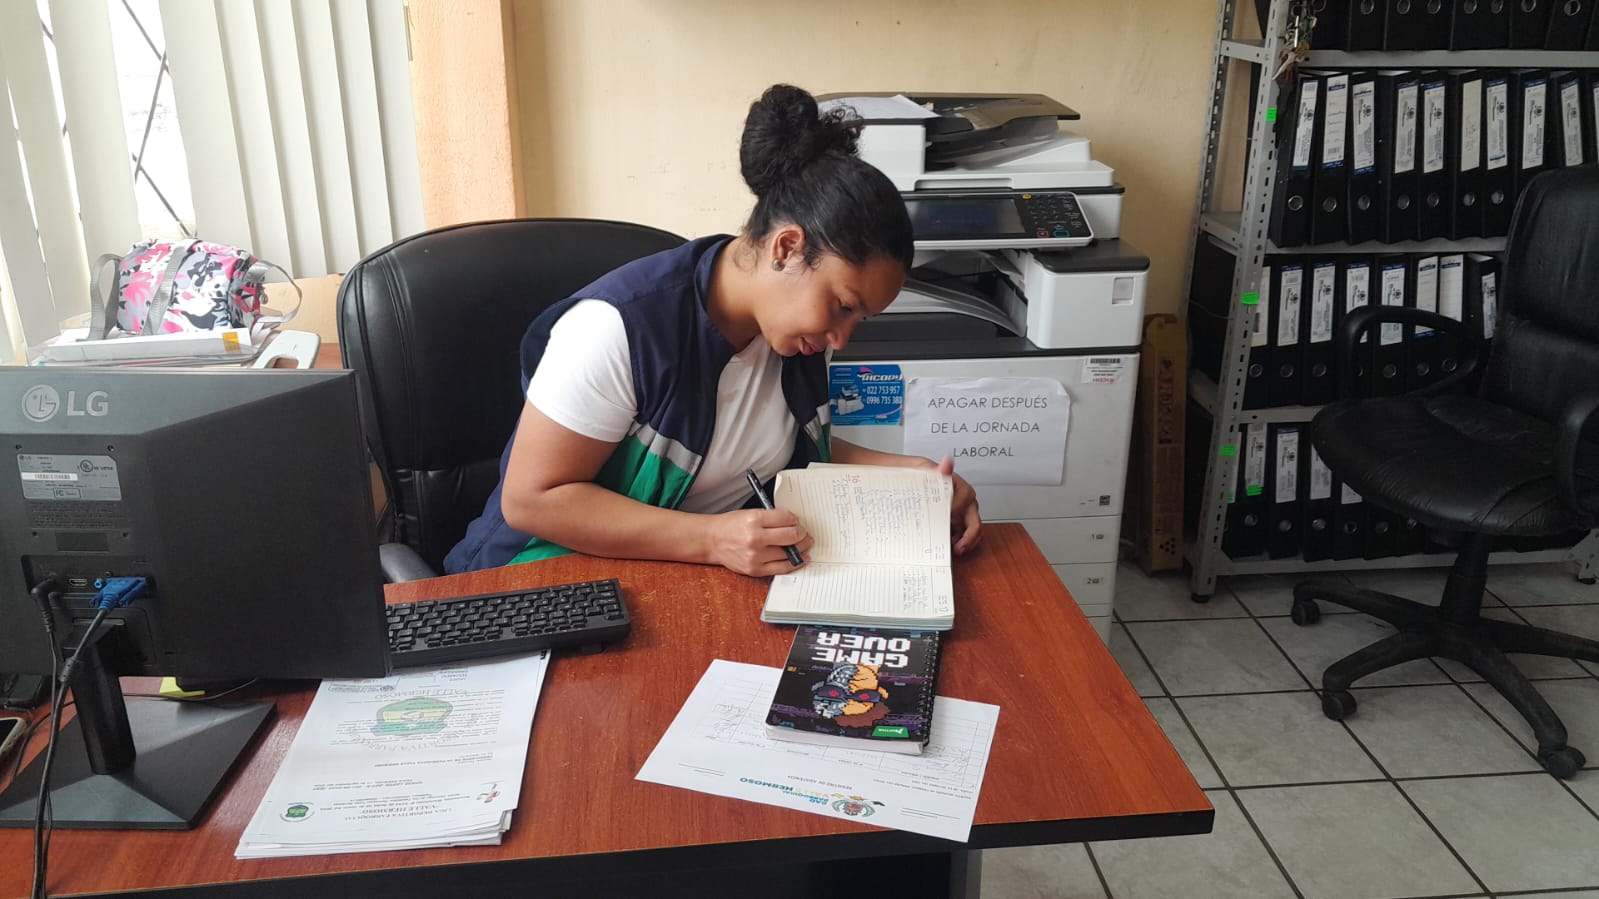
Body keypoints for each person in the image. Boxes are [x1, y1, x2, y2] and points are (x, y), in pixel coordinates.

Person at [444, 84, 981, 577]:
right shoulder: (617, 329)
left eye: (858, 318)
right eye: (843, 306)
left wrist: (913, 477)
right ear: (787, 248)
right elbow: (532, 500)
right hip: (533, 587)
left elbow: (776, 446)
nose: (842, 338)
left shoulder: (794, 334)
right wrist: (712, 540)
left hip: (664, 583)